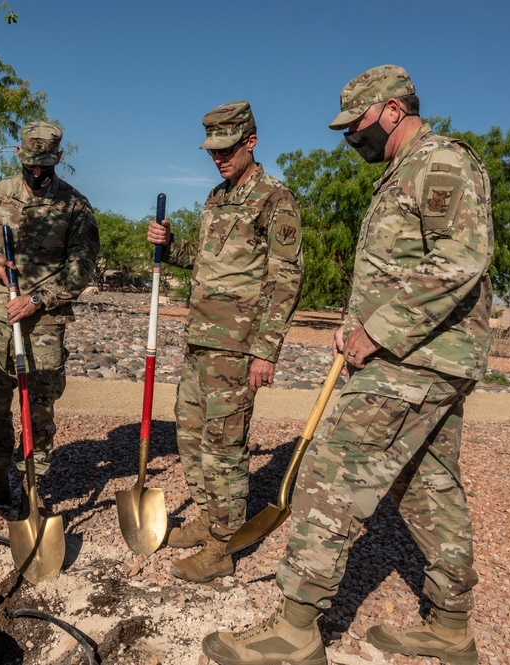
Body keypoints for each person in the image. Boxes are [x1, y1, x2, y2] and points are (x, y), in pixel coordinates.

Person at [202, 65, 492, 665]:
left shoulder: (440, 163)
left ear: (391, 110)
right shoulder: (403, 172)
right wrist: (357, 322)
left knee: (327, 475)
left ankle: (296, 629)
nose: (348, 137)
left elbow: (461, 259)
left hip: (413, 360)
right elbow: (405, 268)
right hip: (425, 358)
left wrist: (378, 331)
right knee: (428, 488)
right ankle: (451, 626)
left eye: (355, 124)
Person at [147, 101, 303, 583]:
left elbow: (286, 279)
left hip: (237, 349)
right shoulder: (216, 198)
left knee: (224, 447)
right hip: (198, 341)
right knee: (190, 439)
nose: (218, 158)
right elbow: (205, 263)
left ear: (250, 142)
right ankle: (210, 519)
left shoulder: (276, 200)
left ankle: (222, 546)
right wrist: (169, 246)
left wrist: (265, 349)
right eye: (212, 150)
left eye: (227, 148)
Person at [0, 121, 99, 512]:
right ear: (19, 153)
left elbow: (82, 264)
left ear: (58, 159)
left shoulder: (75, 205)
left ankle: (33, 494)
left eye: (46, 166)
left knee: (37, 408)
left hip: (43, 323)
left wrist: (37, 299)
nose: (37, 173)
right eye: (31, 164)